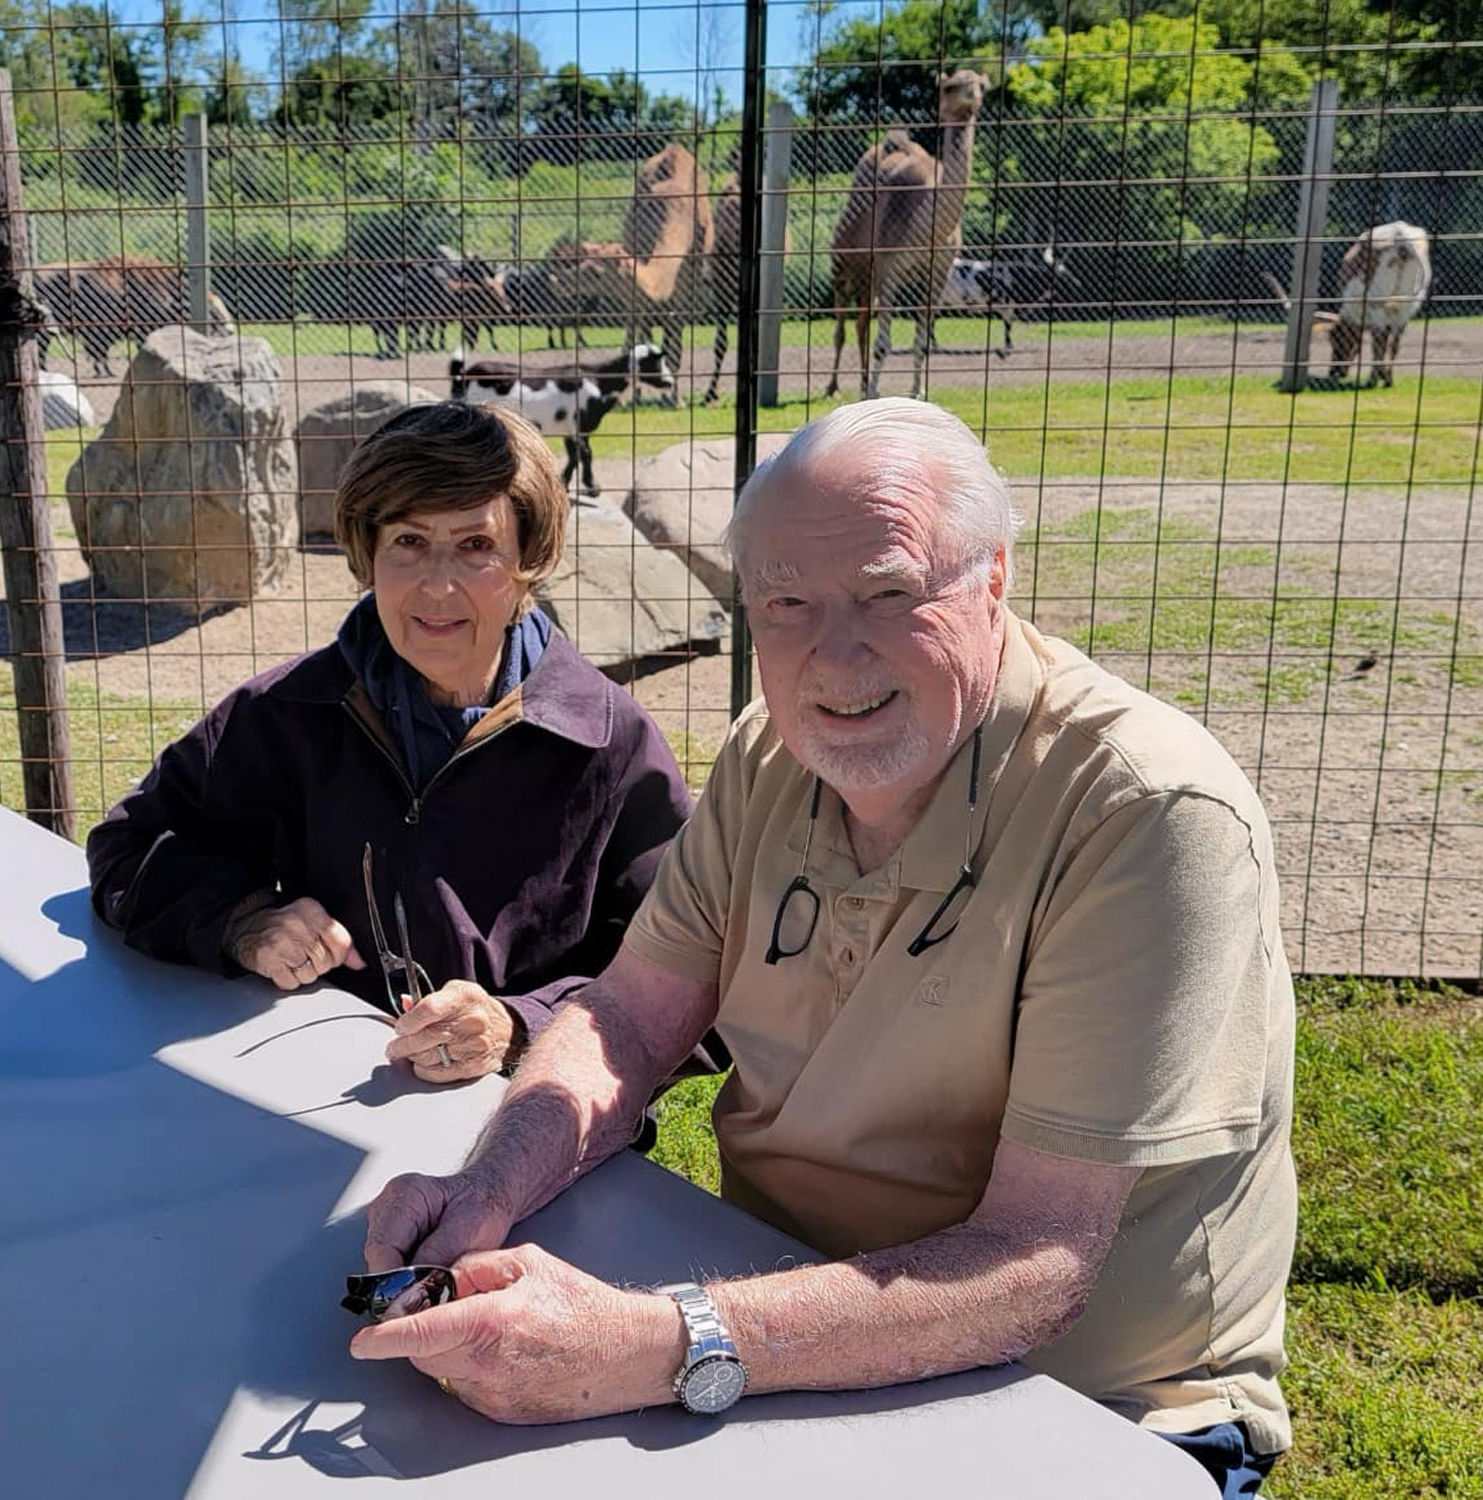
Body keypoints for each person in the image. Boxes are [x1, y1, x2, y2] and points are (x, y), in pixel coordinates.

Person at [347, 399, 1296, 1498]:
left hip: (1095, 1413)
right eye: (787, 603)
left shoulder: (1143, 812)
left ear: (991, 580)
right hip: (784, 1326)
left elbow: (1037, 1267)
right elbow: (628, 1017)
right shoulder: (770, 756)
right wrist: (489, 1187)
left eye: (888, 595)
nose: (832, 658)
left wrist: (653, 1345)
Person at [86, 401, 692, 1083]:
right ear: (365, 552)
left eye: (476, 545)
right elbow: (128, 849)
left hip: (529, 1119)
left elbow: (691, 969)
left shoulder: (609, 743)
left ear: (531, 559)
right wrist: (243, 921)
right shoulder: (286, 713)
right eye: (408, 541)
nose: (437, 586)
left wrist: (519, 1026)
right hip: (324, 1100)